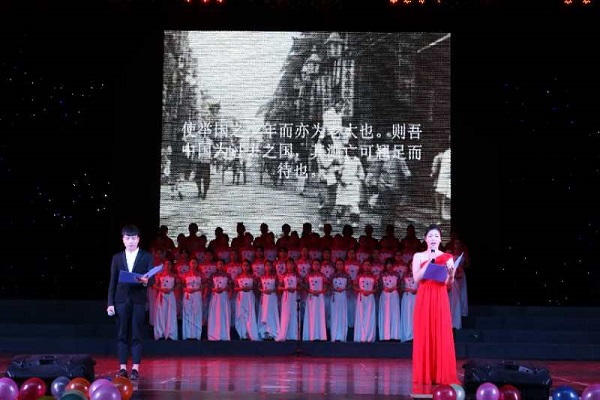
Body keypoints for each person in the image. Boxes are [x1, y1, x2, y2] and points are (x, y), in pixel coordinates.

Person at [412, 224, 459, 387]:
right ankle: (425, 374)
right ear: (425, 239)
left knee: (441, 333)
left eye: (436, 236)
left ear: (440, 240)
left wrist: (451, 274)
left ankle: (441, 374)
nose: (433, 239)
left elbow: (448, 283)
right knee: (425, 333)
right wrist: (429, 263)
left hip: (440, 297)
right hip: (424, 297)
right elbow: (417, 278)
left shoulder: (448, 257)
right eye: (430, 236)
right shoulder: (418, 256)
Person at [106, 224, 154, 380]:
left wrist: (146, 281)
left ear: (138, 239)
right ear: (123, 240)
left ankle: (135, 368)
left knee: (136, 334)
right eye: (127, 238)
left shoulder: (147, 256)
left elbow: (152, 279)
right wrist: (110, 303)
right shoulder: (117, 258)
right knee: (121, 334)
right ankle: (122, 368)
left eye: (133, 238)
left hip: (138, 300)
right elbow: (112, 282)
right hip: (121, 300)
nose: (130, 241)